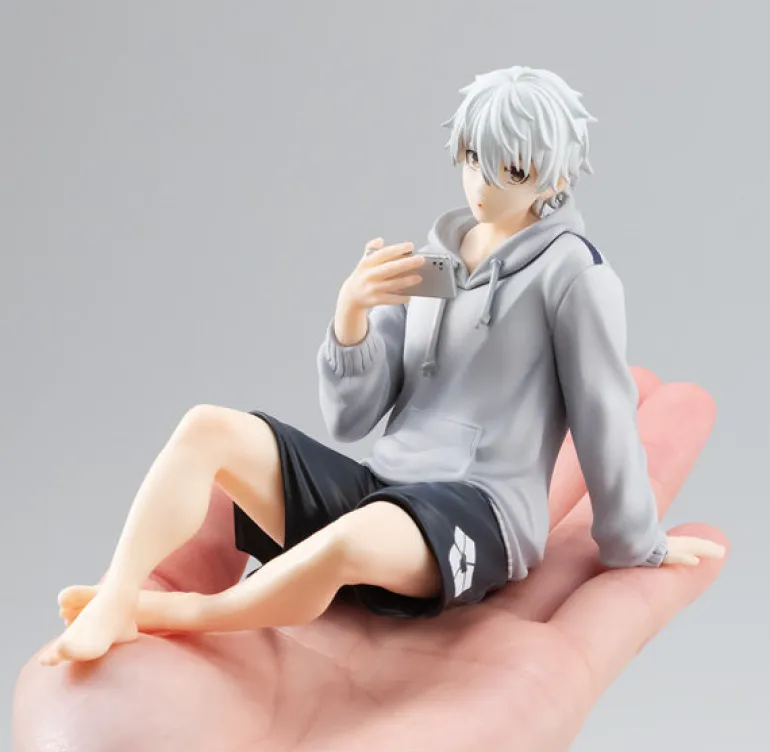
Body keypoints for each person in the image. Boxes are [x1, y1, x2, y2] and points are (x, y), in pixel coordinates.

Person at [36, 65, 724, 670]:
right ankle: (118, 595)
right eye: (473, 158)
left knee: (351, 539)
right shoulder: (434, 260)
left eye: (510, 170)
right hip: (382, 487)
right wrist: (352, 316)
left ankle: (185, 614)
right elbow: (353, 416)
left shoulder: (575, 276)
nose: (482, 185)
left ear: (558, 176)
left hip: (480, 512)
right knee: (206, 428)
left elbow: (604, 414)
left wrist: (637, 540)